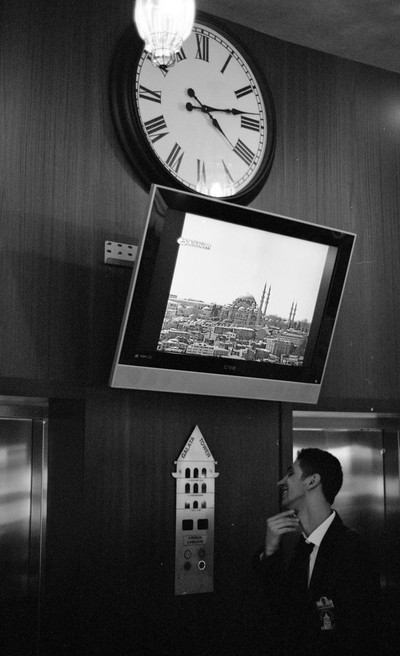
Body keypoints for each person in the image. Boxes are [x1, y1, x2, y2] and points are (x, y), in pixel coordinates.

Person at [254, 448, 386, 655]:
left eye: (290, 474)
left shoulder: (353, 549)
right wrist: (270, 551)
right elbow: (284, 613)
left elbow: (364, 634)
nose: (281, 482)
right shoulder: (301, 546)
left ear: (312, 481)